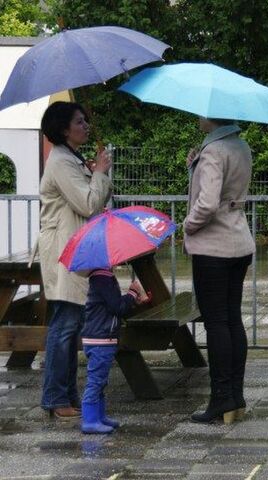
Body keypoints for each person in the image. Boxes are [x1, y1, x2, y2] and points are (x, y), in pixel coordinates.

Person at [39, 101, 113, 419]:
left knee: (70, 325)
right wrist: (99, 173)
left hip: (74, 249)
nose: (86, 126)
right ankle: (56, 398)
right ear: (63, 128)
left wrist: (97, 173)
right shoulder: (61, 161)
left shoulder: (71, 157)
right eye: (79, 122)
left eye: (85, 120)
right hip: (62, 251)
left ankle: (65, 395)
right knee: (64, 325)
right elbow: (87, 203)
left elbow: (95, 201)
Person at [184, 117, 256, 424]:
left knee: (216, 324)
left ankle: (221, 399)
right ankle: (235, 397)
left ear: (211, 116)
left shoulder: (213, 151)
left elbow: (207, 203)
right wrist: (194, 168)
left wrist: (187, 225)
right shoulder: (240, 146)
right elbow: (226, 192)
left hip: (213, 246)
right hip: (239, 241)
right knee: (232, 319)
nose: (197, 117)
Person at [81, 270, 150, 434]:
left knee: (101, 380)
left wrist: (131, 297)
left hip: (101, 337)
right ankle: (90, 420)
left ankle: (99, 415)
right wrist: (132, 294)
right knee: (96, 381)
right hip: (100, 339)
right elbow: (117, 307)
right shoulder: (103, 279)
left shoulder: (103, 277)